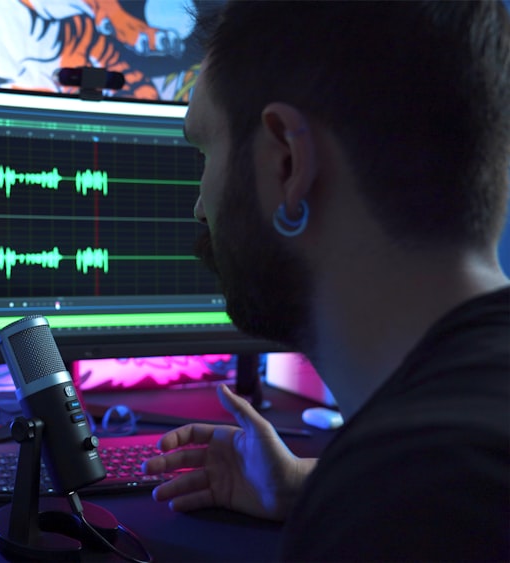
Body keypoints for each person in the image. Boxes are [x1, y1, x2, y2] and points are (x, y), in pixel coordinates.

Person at [141, 2, 510, 560]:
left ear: (287, 162)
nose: (200, 207)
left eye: (204, 150)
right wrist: (307, 485)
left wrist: (359, 503)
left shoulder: (420, 506)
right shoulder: (440, 472)